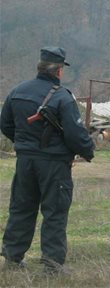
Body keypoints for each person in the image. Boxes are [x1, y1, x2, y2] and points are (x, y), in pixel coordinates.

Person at [0, 46, 94, 274]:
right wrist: (88, 150)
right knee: (54, 211)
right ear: (59, 71)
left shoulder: (17, 91)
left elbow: (5, 124)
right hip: (53, 164)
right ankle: (52, 266)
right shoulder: (62, 97)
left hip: (25, 162)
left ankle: (12, 259)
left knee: (21, 208)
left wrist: (24, 144)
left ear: (40, 66)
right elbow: (74, 134)